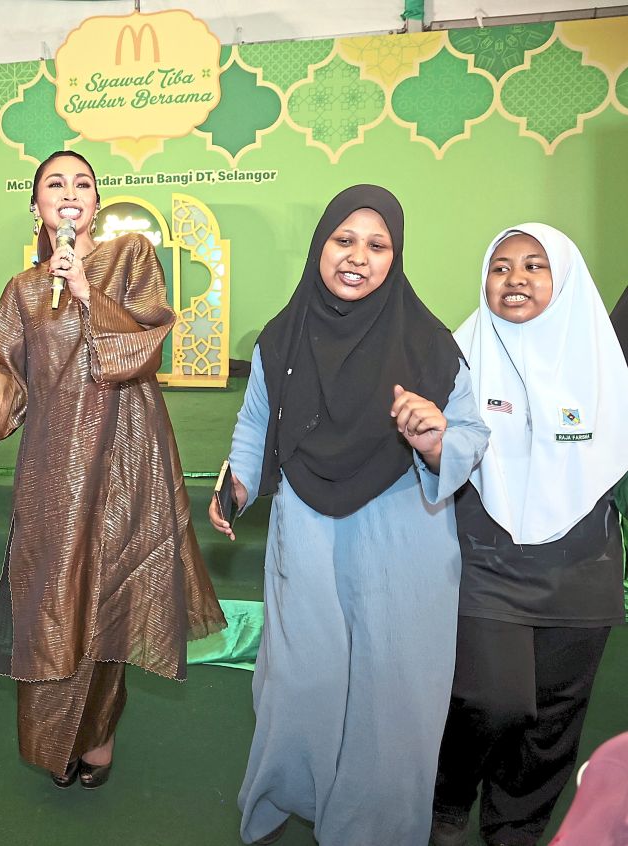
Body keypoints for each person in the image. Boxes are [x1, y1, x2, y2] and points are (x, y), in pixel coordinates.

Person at [208, 185, 489, 845]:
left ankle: (376, 824)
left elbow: (472, 435)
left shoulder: (428, 342)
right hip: (304, 519)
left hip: (403, 528)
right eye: (344, 240)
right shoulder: (282, 335)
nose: (357, 257)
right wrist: (240, 484)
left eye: (377, 244)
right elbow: (255, 422)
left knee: (393, 685)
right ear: (320, 247)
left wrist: (435, 437)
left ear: (395, 255)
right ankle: (292, 789)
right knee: (300, 675)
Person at [0, 150, 225, 788]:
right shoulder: (20, 291)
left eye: (83, 184)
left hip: (127, 458)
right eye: (55, 184)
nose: (70, 193)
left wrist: (84, 291)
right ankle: (56, 738)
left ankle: (97, 737)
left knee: (112, 601)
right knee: (52, 601)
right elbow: (8, 394)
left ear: (97, 204)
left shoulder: (130, 254)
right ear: (37, 206)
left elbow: (144, 342)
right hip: (54, 471)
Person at [430, 224, 628, 846]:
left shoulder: (605, 362)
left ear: (563, 280)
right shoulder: (457, 356)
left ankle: (515, 827)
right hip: (488, 555)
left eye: (535, 266)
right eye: (501, 267)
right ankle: (447, 799)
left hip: (583, 561)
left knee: (552, 721)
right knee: (489, 700)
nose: (515, 279)